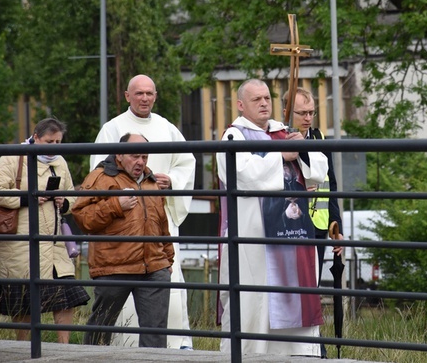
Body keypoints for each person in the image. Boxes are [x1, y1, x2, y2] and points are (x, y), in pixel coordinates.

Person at [216, 79, 329, 356]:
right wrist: (280, 155)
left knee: (296, 310)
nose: (265, 103)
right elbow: (241, 175)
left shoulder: (285, 132)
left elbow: (318, 172)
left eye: (267, 97)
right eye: (257, 100)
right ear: (241, 105)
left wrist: (301, 147)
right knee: (256, 304)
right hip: (255, 240)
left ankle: (301, 357)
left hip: (293, 237)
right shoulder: (234, 137)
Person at [90, 74, 195, 349]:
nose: (145, 98)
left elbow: (186, 162)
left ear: (155, 96)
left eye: (149, 93)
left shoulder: (167, 128)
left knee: (166, 292)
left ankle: (171, 346)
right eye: (139, 93)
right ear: (127, 96)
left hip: (159, 221)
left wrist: (171, 180)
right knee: (116, 301)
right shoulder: (112, 129)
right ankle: (114, 347)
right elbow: (98, 173)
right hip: (123, 226)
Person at [0, 118, 90, 343]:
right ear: (35, 137)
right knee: (25, 298)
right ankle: (26, 346)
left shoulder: (60, 161)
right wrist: (29, 198)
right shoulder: (14, 158)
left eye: (58, 142)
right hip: (21, 243)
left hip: (54, 241)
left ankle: (65, 348)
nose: (53, 147)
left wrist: (64, 201)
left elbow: (71, 194)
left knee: (67, 296)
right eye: (49, 141)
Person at [73, 133, 175, 348]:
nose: (140, 162)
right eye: (135, 156)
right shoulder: (100, 177)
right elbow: (82, 218)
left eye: (145, 157)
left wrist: (167, 260)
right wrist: (115, 205)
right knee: (101, 327)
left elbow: (161, 223)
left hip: (154, 267)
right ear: (119, 154)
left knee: (155, 333)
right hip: (113, 266)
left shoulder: (151, 182)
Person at [283, 87, 344, 282]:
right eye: (302, 113)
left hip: (319, 224)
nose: (308, 118)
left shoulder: (319, 138)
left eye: (311, 112)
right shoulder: (279, 139)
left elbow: (330, 183)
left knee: (313, 283)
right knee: (292, 282)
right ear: (287, 112)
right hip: (291, 223)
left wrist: (337, 226)